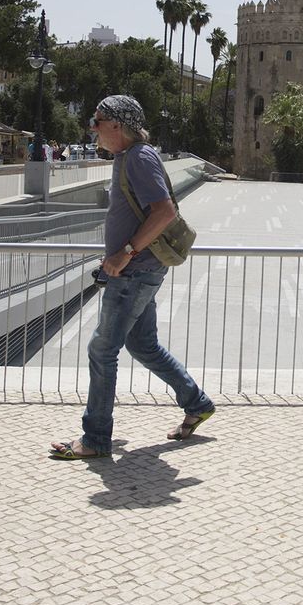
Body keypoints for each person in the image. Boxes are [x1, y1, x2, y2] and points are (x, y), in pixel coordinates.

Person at [49, 95, 214, 460]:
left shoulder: (139, 157)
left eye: (98, 120)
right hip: (139, 269)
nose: (93, 128)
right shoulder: (129, 157)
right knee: (143, 345)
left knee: (102, 349)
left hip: (134, 272)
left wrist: (126, 253)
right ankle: (197, 403)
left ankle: (95, 438)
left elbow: (165, 212)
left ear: (117, 125)